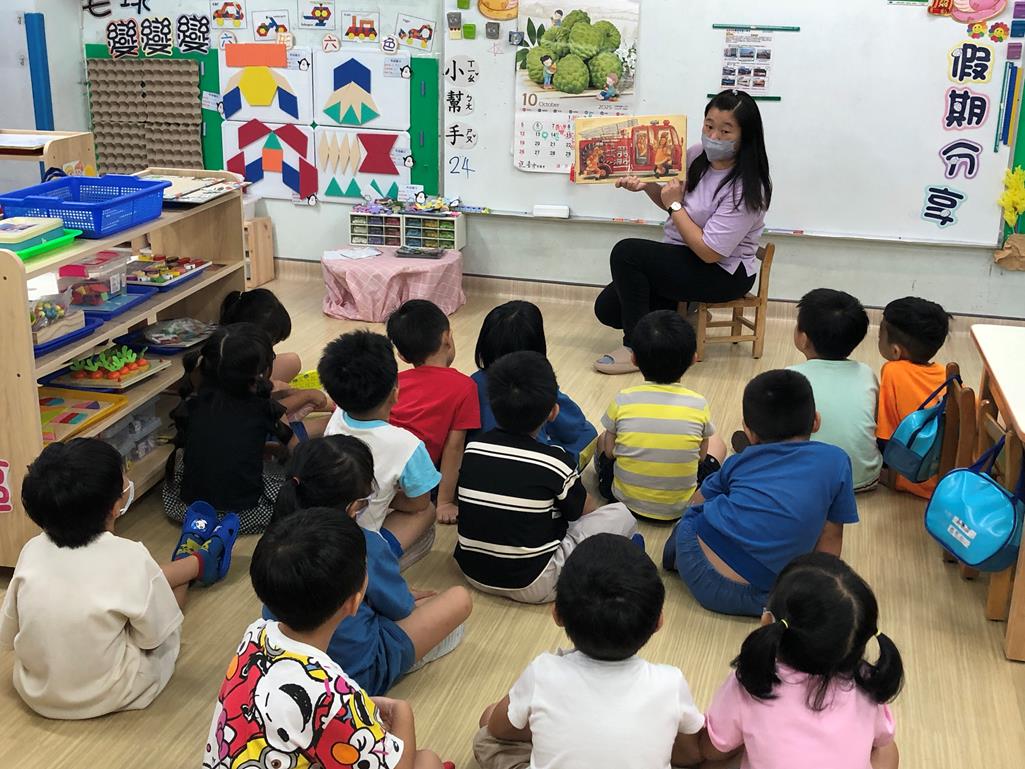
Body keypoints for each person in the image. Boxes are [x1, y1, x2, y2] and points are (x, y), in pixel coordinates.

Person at [0, 439, 237, 719]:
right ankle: (194, 563)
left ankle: (193, 562)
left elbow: (9, 630)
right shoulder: (131, 556)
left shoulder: (31, 551)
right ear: (114, 507)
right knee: (164, 606)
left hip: (37, 690)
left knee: (133, 585)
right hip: (110, 693)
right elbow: (153, 637)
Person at [204, 508, 446, 769]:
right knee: (427, 761)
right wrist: (403, 713)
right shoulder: (336, 695)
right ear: (355, 602)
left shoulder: (255, 634)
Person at [473, 534, 704, 769]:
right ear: (658, 622)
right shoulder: (671, 683)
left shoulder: (542, 672)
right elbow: (691, 755)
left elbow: (498, 729)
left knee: (488, 726)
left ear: (557, 615)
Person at [270, 436, 472, 695]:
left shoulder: (277, 543)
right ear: (353, 507)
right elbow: (401, 608)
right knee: (458, 600)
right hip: (359, 675)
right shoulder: (365, 545)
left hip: (294, 664)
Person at [594, 89, 772, 374]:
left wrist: (674, 205)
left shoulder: (748, 186)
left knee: (627, 253)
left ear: (746, 136)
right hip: (683, 255)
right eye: (709, 126)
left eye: (726, 131)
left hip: (722, 271)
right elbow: (672, 204)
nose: (713, 136)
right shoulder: (695, 155)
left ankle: (639, 349)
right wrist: (649, 186)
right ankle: (681, 315)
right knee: (607, 309)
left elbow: (710, 252)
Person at [663, 370, 859, 617]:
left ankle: (672, 557)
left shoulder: (739, 462)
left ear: (749, 431)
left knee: (694, 515)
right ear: (816, 422)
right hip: (772, 597)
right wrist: (815, 593)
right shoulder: (836, 461)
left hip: (703, 578)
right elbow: (831, 536)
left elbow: (697, 501)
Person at [456, 351, 638, 604]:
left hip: (472, 572)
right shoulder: (554, 461)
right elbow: (586, 512)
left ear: (493, 408)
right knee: (620, 514)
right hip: (534, 582)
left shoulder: (473, 449)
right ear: (553, 412)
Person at [702, 553, 903, 769]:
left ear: (768, 621)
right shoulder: (867, 681)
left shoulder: (753, 680)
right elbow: (882, 738)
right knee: (887, 750)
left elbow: (712, 749)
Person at [319, 330, 439, 566]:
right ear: (395, 393)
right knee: (428, 513)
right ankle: (376, 566)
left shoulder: (337, 417)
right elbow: (419, 503)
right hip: (360, 543)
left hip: (327, 531)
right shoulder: (408, 444)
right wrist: (382, 496)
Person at [595, 310, 725, 522]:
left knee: (604, 437)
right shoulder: (698, 404)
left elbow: (609, 452)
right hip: (680, 508)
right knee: (717, 442)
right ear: (693, 359)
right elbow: (701, 458)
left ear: (634, 359)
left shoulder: (623, 399)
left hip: (622, 503)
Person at [163, 323, 293, 534]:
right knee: (288, 476)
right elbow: (300, 453)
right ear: (261, 371)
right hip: (246, 515)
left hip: (187, 511)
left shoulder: (194, 403)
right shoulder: (262, 407)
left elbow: (218, 444)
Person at [386, 299, 481, 525]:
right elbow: (454, 447)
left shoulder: (394, 381)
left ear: (402, 356)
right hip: (414, 477)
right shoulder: (465, 387)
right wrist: (445, 502)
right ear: (447, 337)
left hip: (377, 465)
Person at [471, 300, 596, 464]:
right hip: (533, 464)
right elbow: (573, 427)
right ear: (537, 346)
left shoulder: (472, 382)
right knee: (589, 433)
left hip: (477, 461)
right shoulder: (538, 383)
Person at [788, 288, 881, 491]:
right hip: (866, 478)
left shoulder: (790, 376)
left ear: (803, 339)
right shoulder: (867, 373)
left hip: (807, 481)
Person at [220, 288, 332, 435]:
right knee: (324, 425)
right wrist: (306, 397)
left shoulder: (236, 351)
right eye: (270, 344)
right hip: (252, 426)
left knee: (292, 366)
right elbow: (266, 412)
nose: (271, 352)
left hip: (251, 412)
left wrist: (313, 399)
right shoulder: (241, 374)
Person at [876, 296, 951, 499]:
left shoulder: (892, 372)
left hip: (913, 477)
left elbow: (886, 435)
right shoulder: (945, 373)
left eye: (879, 336)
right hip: (947, 477)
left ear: (895, 351)